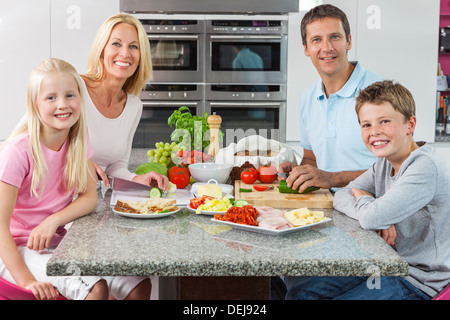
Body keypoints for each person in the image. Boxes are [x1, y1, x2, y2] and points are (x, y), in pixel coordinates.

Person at [0, 58, 150, 300]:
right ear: (35, 104)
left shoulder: (78, 140)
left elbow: (89, 197)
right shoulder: (17, 152)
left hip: (57, 242)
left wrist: (53, 221)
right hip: (19, 249)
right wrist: (26, 280)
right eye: (51, 98)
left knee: (137, 283)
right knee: (96, 287)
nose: (63, 104)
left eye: (70, 95)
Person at [286, 80, 450, 300]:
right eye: (367, 125)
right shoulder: (384, 162)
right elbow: (341, 196)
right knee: (301, 290)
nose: (375, 132)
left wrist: (370, 204)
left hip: (419, 282)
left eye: (384, 121)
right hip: (388, 264)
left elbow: (372, 217)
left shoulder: (424, 167)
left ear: (410, 125)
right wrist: (374, 207)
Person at [278, 4, 383, 193]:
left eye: (335, 37)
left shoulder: (381, 93)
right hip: (330, 205)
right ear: (306, 49)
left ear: (348, 41)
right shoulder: (308, 98)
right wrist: (300, 172)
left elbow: (398, 168)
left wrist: (333, 178)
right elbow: (312, 159)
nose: (326, 48)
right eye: (316, 40)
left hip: (375, 209)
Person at [81, 13, 168, 191]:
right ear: (102, 49)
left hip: (88, 202)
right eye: (116, 44)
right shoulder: (75, 87)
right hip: (51, 201)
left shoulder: (133, 106)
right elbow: (28, 139)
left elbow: (116, 167)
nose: (125, 53)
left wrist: (137, 178)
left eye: (134, 46)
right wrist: (79, 165)